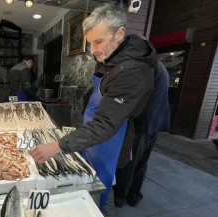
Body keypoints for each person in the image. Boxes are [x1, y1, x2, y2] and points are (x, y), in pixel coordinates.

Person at [30, 3, 157, 213]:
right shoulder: (113, 56)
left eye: (98, 42)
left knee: (100, 186)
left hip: (113, 135)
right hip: (98, 132)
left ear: (120, 34)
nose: (92, 50)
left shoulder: (131, 71)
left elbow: (106, 124)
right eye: (90, 43)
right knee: (91, 176)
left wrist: (57, 146)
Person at [113, 60, 170, 207]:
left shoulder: (144, 67)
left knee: (129, 161)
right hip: (154, 122)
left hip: (141, 122)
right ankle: (134, 195)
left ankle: (120, 195)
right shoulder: (158, 65)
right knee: (142, 160)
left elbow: (132, 96)